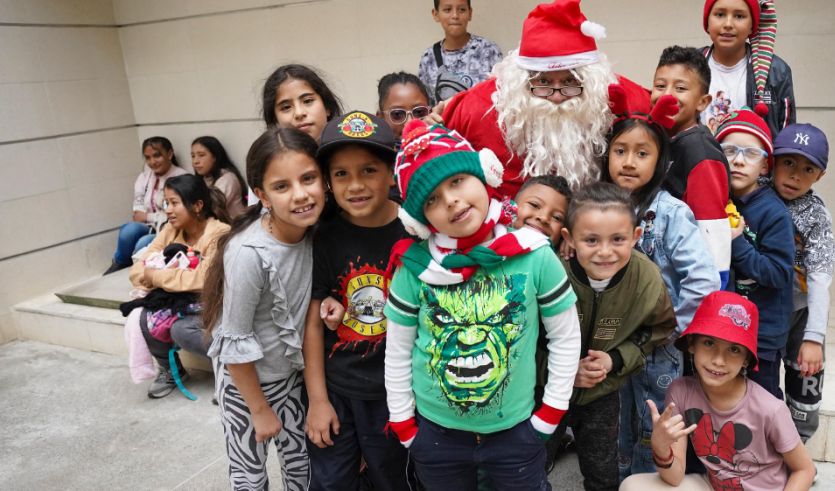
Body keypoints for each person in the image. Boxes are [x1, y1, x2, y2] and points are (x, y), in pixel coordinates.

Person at [383, 120, 581, 491]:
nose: (452, 200)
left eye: (457, 181)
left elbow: (566, 339)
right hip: (435, 436)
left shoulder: (534, 254)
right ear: (420, 219)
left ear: (485, 174)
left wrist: (550, 415)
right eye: (432, 199)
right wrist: (405, 426)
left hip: (515, 434)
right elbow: (398, 352)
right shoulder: (413, 269)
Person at [600, 85, 721, 479]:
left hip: (657, 347)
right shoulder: (596, 208)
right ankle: (625, 483)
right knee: (618, 421)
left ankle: (654, 484)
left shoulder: (671, 213)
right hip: (610, 342)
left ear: (660, 161)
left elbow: (702, 278)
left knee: (655, 420)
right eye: (620, 150)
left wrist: (672, 329)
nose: (630, 161)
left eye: (642, 152)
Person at [433, 0, 652, 198]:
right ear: (520, 83)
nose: (557, 97)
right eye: (543, 82)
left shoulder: (624, 98)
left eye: (570, 81)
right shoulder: (476, 108)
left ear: (592, 82)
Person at [202, 127, 326, 491]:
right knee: (250, 478)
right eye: (282, 186)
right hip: (246, 389)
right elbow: (233, 340)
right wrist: (258, 410)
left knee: (302, 469)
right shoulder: (249, 254)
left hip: (289, 379)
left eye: (308, 178)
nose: (301, 195)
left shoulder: (312, 230)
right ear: (262, 195)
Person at [303, 111, 413, 491]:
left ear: (392, 171)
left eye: (369, 170)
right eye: (341, 174)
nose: (355, 185)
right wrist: (318, 400)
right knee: (332, 481)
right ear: (328, 182)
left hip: (396, 393)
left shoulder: (416, 230)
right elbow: (313, 324)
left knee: (392, 479)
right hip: (339, 390)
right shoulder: (324, 238)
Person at [545, 182, 676, 491]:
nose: (605, 251)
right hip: (544, 389)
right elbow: (521, 337)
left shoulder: (646, 278)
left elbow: (660, 329)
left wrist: (616, 358)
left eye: (618, 239)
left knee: (603, 471)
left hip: (602, 394)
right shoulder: (550, 271)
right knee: (530, 462)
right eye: (591, 240)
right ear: (569, 239)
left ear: (635, 237)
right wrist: (564, 369)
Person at [619, 291, 816, 491]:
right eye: (709, 343)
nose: (718, 360)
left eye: (734, 349)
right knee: (632, 486)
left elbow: (805, 470)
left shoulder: (771, 409)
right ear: (691, 343)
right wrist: (661, 447)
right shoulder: (680, 392)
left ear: (746, 359)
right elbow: (675, 478)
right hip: (712, 485)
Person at [127, 174, 231, 398]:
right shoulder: (170, 231)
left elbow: (203, 281)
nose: (168, 210)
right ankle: (171, 371)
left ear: (197, 205)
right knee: (141, 316)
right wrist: (163, 276)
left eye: (174, 203)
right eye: (166, 203)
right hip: (182, 303)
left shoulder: (219, 233)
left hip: (216, 309)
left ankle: (231, 372)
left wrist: (156, 276)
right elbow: (137, 271)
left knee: (181, 329)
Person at [714, 110, 794, 399]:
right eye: (730, 150)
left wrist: (737, 243)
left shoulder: (773, 212)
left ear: (764, 167)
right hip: (723, 329)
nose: (737, 160)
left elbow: (778, 273)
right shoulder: (714, 201)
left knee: (762, 406)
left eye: (750, 153)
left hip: (761, 336)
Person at [767, 123, 834, 445]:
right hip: (762, 306)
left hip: (800, 311)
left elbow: (821, 276)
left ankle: (798, 449)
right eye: (788, 163)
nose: (795, 175)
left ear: (819, 175)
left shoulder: (816, 215)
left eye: (807, 168)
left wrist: (814, 337)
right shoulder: (756, 195)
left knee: (804, 377)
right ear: (772, 161)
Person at [654, 46, 732, 290]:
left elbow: (712, 230)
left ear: (702, 102)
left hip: (686, 286)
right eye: (660, 86)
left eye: (680, 88)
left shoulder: (701, 152)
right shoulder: (658, 137)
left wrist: (710, 295)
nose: (667, 95)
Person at [700, 0, 796, 138]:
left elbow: (786, 138)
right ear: (707, 21)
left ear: (753, 26)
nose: (728, 24)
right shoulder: (688, 65)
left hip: (751, 162)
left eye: (739, 16)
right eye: (720, 14)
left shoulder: (776, 72)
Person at [106, 137, 189, 275]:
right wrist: (149, 217)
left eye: (157, 156)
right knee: (128, 230)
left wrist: (147, 216)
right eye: (148, 158)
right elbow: (137, 212)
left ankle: (142, 272)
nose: (152, 162)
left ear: (169, 154)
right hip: (151, 226)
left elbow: (176, 213)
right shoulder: (144, 177)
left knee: (142, 243)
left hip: (169, 227)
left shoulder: (182, 178)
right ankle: (120, 263)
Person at [418, 0, 503, 103]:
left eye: (461, 9)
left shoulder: (488, 49)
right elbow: (426, 106)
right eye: (447, 9)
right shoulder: (428, 58)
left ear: (470, 13)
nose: (455, 15)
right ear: (436, 14)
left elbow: (503, 96)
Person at [262, 63, 344, 142]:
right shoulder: (266, 156)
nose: (299, 113)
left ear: (327, 106)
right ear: (275, 120)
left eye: (308, 101)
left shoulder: (351, 151)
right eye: (286, 107)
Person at [191, 136, 248, 220]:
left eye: (201, 155)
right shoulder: (201, 179)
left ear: (215, 157)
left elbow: (209, 209)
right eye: (193, 156)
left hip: (232, 229)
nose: (196, 161)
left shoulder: (228, 179)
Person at [512, 175, 572, 249]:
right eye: (534, 205)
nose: (544, 218)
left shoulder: (559, 259)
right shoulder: (493, 235)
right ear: (511, 206)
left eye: (556, 217)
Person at [377, 71, 432, 147]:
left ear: (430, 112)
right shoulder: (374, 156)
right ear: (380, 118)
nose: (410, 122)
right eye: (397, 114)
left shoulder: (445, 143)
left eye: (419, 112)